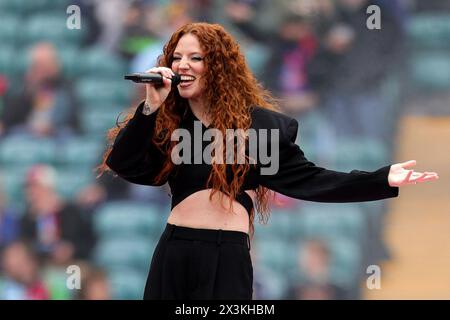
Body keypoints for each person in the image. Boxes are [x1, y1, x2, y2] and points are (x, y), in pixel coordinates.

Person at [97, 22, 439, 300]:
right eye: (177, 57)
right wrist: (150, 108)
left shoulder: (258, 127)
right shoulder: (167, 124)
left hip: (226, 253)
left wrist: (382, 179)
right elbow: (124, 163)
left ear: (217, 66)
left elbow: (311, 180)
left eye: (195, 58)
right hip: (175, 248)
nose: (182, 65)